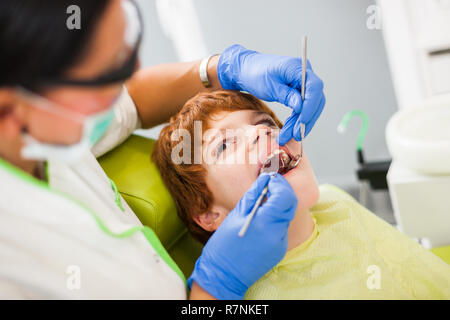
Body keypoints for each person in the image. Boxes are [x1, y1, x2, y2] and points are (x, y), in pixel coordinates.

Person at [0, 0, 325, 299]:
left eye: (264, 122)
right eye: (107, 73)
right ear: (11, 107)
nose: (260, 135)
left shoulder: (50, 121)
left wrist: (224, 68)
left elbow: (132, 99)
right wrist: (216, 286)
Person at [153, 90, 450, 299]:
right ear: (208, 213)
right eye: (225, 145)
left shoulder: (334, 198)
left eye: (265, 123)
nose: (261, 133)